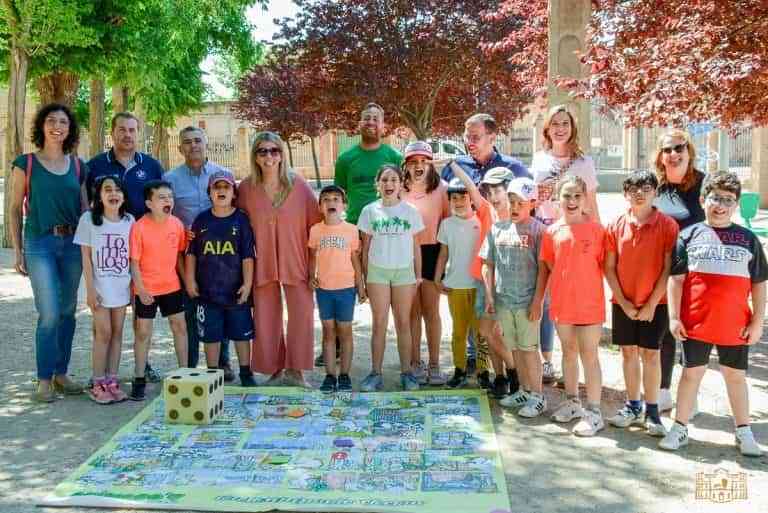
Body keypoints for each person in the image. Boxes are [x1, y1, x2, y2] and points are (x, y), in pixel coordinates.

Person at [659, 171, 766, 457]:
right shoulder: (688, 236)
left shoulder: (748, 239)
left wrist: (757, 321)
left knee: (735, 377)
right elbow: (676, 280)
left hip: (735, 325)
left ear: (736, 204)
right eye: (715, 198)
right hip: (695, 324)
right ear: (704, 199)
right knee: (691, 374)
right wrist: (673, 317)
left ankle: (743, 431)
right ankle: (679, 428)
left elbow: (759, 284)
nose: (720, 205)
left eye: (728, 200)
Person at [8, 103, 88, 402]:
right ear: (42, 126)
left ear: (70, 129)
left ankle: (60, 373)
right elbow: (15, 209)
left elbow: (84, 210)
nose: (57, 126)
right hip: (39, 244)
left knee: (68, 311)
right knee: (50, 313)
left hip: (71, 246)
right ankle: (43, 378)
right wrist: (18, 250)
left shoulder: (78, 166)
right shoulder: (26, 163)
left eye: (63, 122)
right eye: (51, 121)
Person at [441, 113, 529, 378]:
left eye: (475, 136)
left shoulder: (513, 209)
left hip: (510, 277)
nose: (469, 141)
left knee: (505, 331)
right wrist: (453, 165)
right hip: (481, 276)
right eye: (466, 135)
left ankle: (517, 375)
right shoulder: (486, 209)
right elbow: (471, 192)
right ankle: (498, 375)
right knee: (485, 331)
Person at [236, 132, 321, 387]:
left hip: (296, 260)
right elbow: (238, 225)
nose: (269, 156)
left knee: (301, 315)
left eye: (274, 150)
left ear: (282, 154)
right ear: (255, 156)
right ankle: (274, 369)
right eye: (262, 151)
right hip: (262, 262)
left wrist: (315, 266)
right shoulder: (246, 189)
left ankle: (297, 370)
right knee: (265, 317)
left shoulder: (299, 185)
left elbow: (315, 226)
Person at [87, 112, 165, 383]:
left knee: (140, 313)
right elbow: (87, 207)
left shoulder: (152, 166)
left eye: (132, 130)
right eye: (122, 129)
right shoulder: (95, 166)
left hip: (144, 253)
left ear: (138, 132)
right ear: (112, 132)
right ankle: (100, 373)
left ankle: (142, 366)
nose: (127, 135)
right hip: (109, 254)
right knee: (104, 317)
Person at [323, 103, 403, 367]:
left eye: (375, 119)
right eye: (366, 118)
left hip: (386, 232)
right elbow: (338, 196)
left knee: (380, 287)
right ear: (359, 124)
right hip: (353, 231)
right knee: (342, 287)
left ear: (383, 125)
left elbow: (402, 194)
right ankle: (334, 344)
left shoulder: (393, 155)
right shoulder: (346, 159)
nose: (370, 122)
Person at [604, 171, 678, 437]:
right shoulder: (615, 225)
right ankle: (632, 405)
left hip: (654, 305)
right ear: (625, 193)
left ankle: (653, 411)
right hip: (623, 302)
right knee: (627, 353)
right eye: (633, 188)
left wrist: (651, 303)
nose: (639, 192)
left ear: (655, 192)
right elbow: (609, 267)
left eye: (645, 187)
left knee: (651, 355)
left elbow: (668, 269)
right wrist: (623, 302)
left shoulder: (668, 225)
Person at [531, 104, 600, 386]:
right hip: (547, 232)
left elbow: (592, 205)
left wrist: (598, 240)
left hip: (578, 235)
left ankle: (574, 365)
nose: (560, 129)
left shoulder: (584, 163)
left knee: (575, 298)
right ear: (547, 129)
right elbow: (532, 202)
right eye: (555, 123)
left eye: (565, 124)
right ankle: (547, 361)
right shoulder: (538, 160)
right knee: (546, 299)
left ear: (573, 129)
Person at [537, 175, 606, 437]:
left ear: (585, 198)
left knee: (589, 354)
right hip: (563, 304)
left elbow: (605, 266)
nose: (572, 201)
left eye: (577, 195)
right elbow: (550, 266)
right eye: (567, 195)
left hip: (590, 306)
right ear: (558, 199)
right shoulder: (552, 231)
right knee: (568, 352)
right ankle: (572, 401)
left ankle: (595, 411)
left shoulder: (598, 230)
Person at [166, 126, 234, 380]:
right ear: (179, 148)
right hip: (187, 257)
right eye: (187, 142)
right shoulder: (170, 179)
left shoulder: (222, 174)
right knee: (190, 310)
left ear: (206, 144)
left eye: (197, 141)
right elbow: (166, 216)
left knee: (220, 308)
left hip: (219, 255)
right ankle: (191, 364)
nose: (193, 145)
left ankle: (222, 362)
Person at [481, 177, 547, 417]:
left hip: (527, 303)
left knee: (529, 349)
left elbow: (544, 271)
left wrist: (538, 301)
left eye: (521, 202)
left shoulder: (539, 230)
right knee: (515, 348)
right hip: (503, 301)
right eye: (512, 201)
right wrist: (490, 296)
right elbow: (487, 264)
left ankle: (539, 396)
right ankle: (525, 390)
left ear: (532, 202)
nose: (516, 207)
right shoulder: (497, 229)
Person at [652, 129, 707, 413]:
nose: (673, 154)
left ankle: (690, 394)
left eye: (678, 148)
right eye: (667, 150)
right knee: (664, 330)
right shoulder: (656, 187)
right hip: (663, 268)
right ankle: (663, 391)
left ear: (689, 151)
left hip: (697, 269)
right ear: (660, 157)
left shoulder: (703, 184)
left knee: (690, 332)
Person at [184, 171, 256, 387]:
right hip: (207, 292)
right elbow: (191, 253)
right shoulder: (201, 220)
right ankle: (213, 374)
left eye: (226, 187)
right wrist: (190, 280)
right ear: (209, 193)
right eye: (217, 188)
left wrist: (247, 284)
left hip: (236, 291)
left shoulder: (241, 220)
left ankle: (246, 373)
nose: (222, 191)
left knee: (242, 335)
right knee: (211, 336)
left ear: (234, 193)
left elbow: (247, 255)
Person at [358, 164, 425, 391]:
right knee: (379, 323)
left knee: (403, 322)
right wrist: (366, 278)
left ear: (400, 184)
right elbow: (364, 247)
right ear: (377, 184)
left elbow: (416, 246)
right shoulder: (369, 211)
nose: (389, 184)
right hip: (378, 271)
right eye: (384, 180)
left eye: (394, 180)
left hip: (404, 272)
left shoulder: (410, 211)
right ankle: (375, 373)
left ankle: (407, 373)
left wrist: (418, 275)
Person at [74, 176, 134, 404]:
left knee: (118, 333)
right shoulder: (88, 220)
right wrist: (90, 290)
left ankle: (111, 380)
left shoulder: (130, 221)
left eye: (118, 190)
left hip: (120, 285)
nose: (113, 194)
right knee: (104, 333)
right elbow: (86, 258)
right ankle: (97, 382)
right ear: (98, 195)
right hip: (99, 287)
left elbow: (132, 257)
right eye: (107, 190)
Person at [128, 180, 188, 401]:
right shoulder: (139, 227)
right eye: (161, 197)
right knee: (143, 333)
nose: (168, 201)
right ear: (149, 203)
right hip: (146, 288)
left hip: (171, 286)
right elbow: (133, 263)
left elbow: (180, 255)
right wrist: (141, 290)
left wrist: (186, 282)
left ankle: (184, 373)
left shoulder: (177, 224)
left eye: (170, 197)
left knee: (179, 328)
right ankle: (139, 378)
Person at [309, 185, 366, 393]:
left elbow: (355, 260)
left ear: (344, 205)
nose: (331, 203)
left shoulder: (351, 230)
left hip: (346, 289)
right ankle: (330, 375)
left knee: (345, 332)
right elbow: (312, 256)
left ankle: (344, 375)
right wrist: (311, 277)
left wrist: (361, 286)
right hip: (324, 290)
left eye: (336, 199)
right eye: (326, 199)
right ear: (320, 206)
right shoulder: (315, 230)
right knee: (328, 333)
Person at [402, 141, 449, 385]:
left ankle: (434, 364)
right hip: (404, 254)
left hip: (431, 252)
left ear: (431, 164)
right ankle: (414, 362)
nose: (418, 166)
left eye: (424, 161)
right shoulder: (398, 188)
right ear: (406, 165)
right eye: (413, 161)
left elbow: (450, 225)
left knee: (431, 311)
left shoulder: (442, 189)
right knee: (412, 313)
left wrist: (445, 262)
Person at [435, 174, 486, 389]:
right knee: (458, 332)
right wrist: (438, 278)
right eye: (454, 198)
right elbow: (443, 254)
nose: (458, 202)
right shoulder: (447, 225)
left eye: (463, 197)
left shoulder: (481, 222)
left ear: (471, 198)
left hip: (478, 286)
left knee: (480, 333)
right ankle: (460, 369)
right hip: (456, 286)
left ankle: (484, 372)